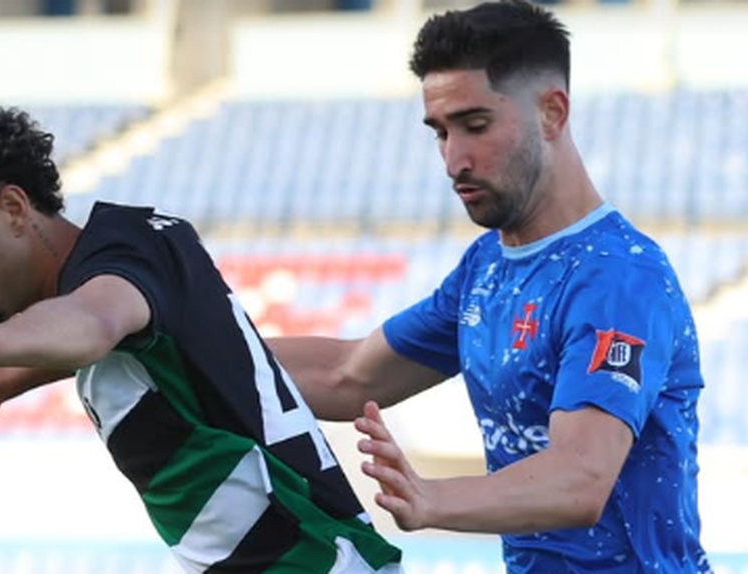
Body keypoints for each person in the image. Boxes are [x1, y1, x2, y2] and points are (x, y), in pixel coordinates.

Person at [0, 93, 403, 574]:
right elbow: (123, 333)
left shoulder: (119, 265)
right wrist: (3, 380)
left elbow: (96, 322)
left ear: (12, 208)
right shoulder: (140, 248)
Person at [266, 1, 711, 572]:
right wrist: (188, 346)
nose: (454, 160)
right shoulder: (487, 266)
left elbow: (580, 477)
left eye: (475, 126)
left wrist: (432, 497)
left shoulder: (618, 277)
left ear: (552, 113)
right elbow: (350, 374)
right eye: (440, 133)